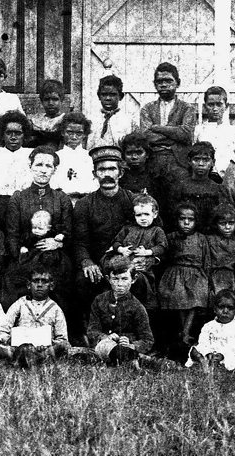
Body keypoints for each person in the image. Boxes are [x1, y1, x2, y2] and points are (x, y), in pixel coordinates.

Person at [73, 145, 136, 339]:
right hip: (97, 263)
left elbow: (148, 232)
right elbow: (79, 241)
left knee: (141, 283)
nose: (107, 174)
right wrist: (87, 262)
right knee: (83, 281)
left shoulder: (132, 200)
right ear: (94, 173)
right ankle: (86, 334)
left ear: (121, 172)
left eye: (112, 169)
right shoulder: (85, 204)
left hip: (128, 261)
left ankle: (138, 336)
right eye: (102, 170)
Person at [4, 146, 73, 310]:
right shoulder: (19, 198)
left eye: (48, 166)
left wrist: (59, 244)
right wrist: (21, 254)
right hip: (26, 255)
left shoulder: (61, 198)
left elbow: (69, 231)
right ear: (30, 166)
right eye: (39, 165)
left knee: (62, 284)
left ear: (54, 170)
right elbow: (12, 234)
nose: (43, 170)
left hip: (56, 257)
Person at [158, 201, 210, 356]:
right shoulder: (171, 238)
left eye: (191, 220)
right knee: (178, 295)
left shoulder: (201, 239)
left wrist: (205, 277)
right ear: (176, 220)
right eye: (182, 219)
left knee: (197, 294)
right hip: (175, 274)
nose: (186, 223)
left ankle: (185, 332)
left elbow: (206, 261)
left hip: (196, 274)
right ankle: (183, 333)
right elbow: (164, 259)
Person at [87, 254, 155, 366]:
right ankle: (127, 359)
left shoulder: (137, 307)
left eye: (124, 279)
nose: (119, 284)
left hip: (127, 348)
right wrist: (105, 337)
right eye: (115, 279)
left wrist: (132, 345)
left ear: (133, 279)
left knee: (147, 360)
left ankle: (130, 358)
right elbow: (92, 331)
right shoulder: (99, 301)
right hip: (104, 347)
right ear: (108, 279)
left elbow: (147, 340)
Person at [0, 268, 71, 360]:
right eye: (36, 281)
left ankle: (37, 357)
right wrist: (11, 340)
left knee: (64, 346)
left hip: (44, 349)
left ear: (51, 286)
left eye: (44, 281)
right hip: (19, 347)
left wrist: (48, 343)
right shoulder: (20, 304)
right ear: (28, 285)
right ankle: (26, 357)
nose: (39, 285)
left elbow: (62, 338)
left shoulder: (55, 309)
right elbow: (2, 330)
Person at [109, 193, 167, 307]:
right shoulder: (128, 229)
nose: (143, 218)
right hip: (124, 266)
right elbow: (116, 242)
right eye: (139, 215)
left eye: (146, 214)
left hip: (143, 270)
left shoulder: (157, 231)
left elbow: (162, 247)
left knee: (141, 286)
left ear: (154, 214)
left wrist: (147, 252)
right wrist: (121, 249)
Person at [139, 62, 196, 176]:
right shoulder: (147, 109)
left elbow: (186, 135)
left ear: (177, 83)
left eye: (168, 81)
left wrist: (157, 128)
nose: (164, 85)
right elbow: (146, 136)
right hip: (153, 160)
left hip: (179, 162)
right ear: (155, 84)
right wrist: (175, 134)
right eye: (159, 82)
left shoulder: (187, 108)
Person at [168, 141, 233, 234]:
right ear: (189, 161)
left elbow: (224, 216)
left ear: (213, 162)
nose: (201, 164)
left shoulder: (218, 189)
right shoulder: (179, 187)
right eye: (197, 159)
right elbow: (173, 217)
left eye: (206, 160)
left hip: (210, 236)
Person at [0, 111, 34, 228]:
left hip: (25, 205)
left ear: (24, 135)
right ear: (2, 135)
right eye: (9, 133)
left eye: (18, 133)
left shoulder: (31, 155)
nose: (13, 137)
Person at [187, 289, 235, 371]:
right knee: (194, 349)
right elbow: (203, 343)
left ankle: (220, 365)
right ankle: (203, 361)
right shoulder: (208, 326)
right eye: (221, 307)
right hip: (210, 354)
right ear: (215, 309)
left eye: (230, 308)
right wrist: (208, 353)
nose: (225, 311)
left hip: (227, 356)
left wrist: (222, 355)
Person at [51, 112, 99, 203]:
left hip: (86, 201)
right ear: (62, 132)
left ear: (85, 134)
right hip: (61, 202)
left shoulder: (89, 157)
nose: (74, 137)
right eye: (70, 132)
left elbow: (95, 183)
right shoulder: (56, 156)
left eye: (79, 133)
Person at [194, 85, 235, 176]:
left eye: (219, 104)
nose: (215, 109)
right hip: (206, 177)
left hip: (227, 177)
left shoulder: (233, 131)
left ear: (226, 106)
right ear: (205, 106)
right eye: (211, 105)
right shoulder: (199, 130)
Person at [118, 131, 169, 212]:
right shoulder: (120, 178)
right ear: (123, 155)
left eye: (139, 153)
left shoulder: (156, 177)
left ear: (147, 154)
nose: (134, 157)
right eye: (129, 153)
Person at [205, 203, 235, 301]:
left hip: (234, 278)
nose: (227, 227)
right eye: (222, 223)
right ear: (215, 224)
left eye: (231, 223)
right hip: (215, 278)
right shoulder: (209, 240)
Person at [86, 74, 139, 150]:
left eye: (112, 95)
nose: (108, 98)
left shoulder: (129, 121)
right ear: (99, 96)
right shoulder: (90, 119)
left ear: (120, 96)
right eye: (104, 95)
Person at [29, 79, 66, 147]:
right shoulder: (36, 121)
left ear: (62, 100)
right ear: (41, 101)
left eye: (55, 99)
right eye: (46, 99)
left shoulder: (65, 120)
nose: (50, 103)